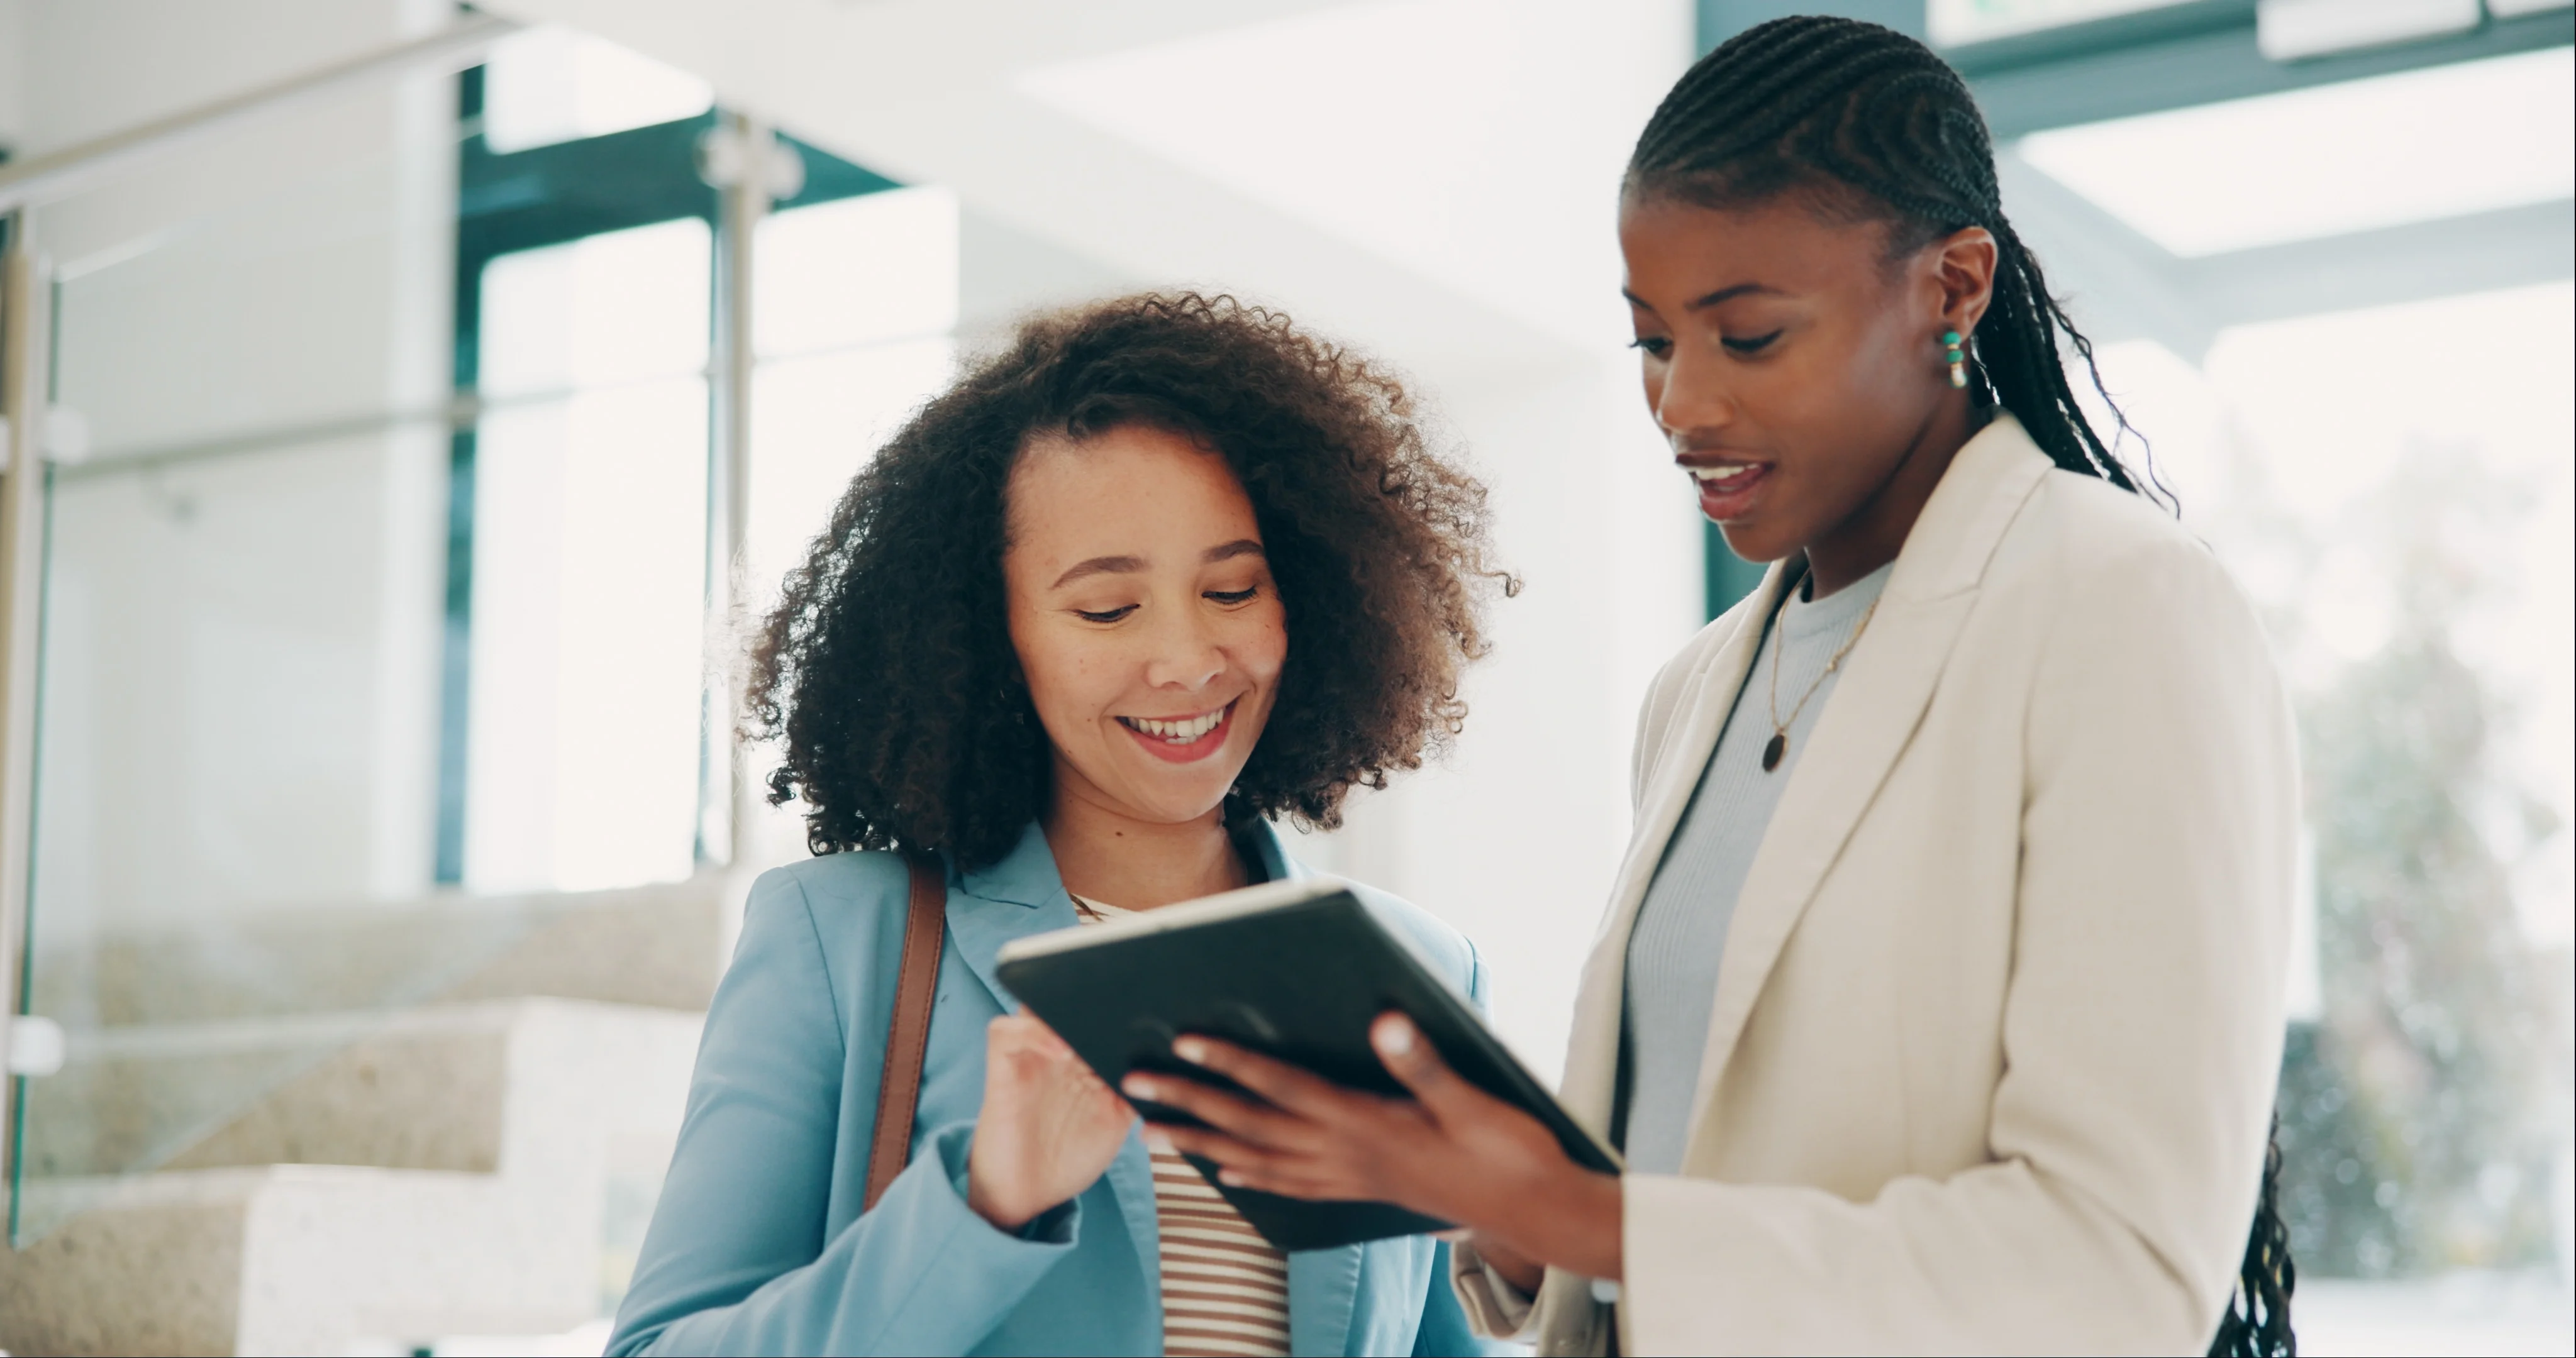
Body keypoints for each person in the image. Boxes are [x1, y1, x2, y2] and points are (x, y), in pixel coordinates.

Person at [1128, 18, 2299, 1356]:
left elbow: (2116, 1268)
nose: (1681, 405)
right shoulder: (1694, 692)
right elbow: (1688, 1173)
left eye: (1746, 338)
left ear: (1952, 288)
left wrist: (1576, 1213)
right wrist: (1490, 1213)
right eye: (1649, 342)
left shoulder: (2118, 607)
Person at [607, 293, 1515, 1357]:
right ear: (994, 635)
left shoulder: (1414, 967)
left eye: (1232, 589)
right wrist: (983, 1205)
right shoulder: (840, 940)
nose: (1184, 660)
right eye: (1106, 609)